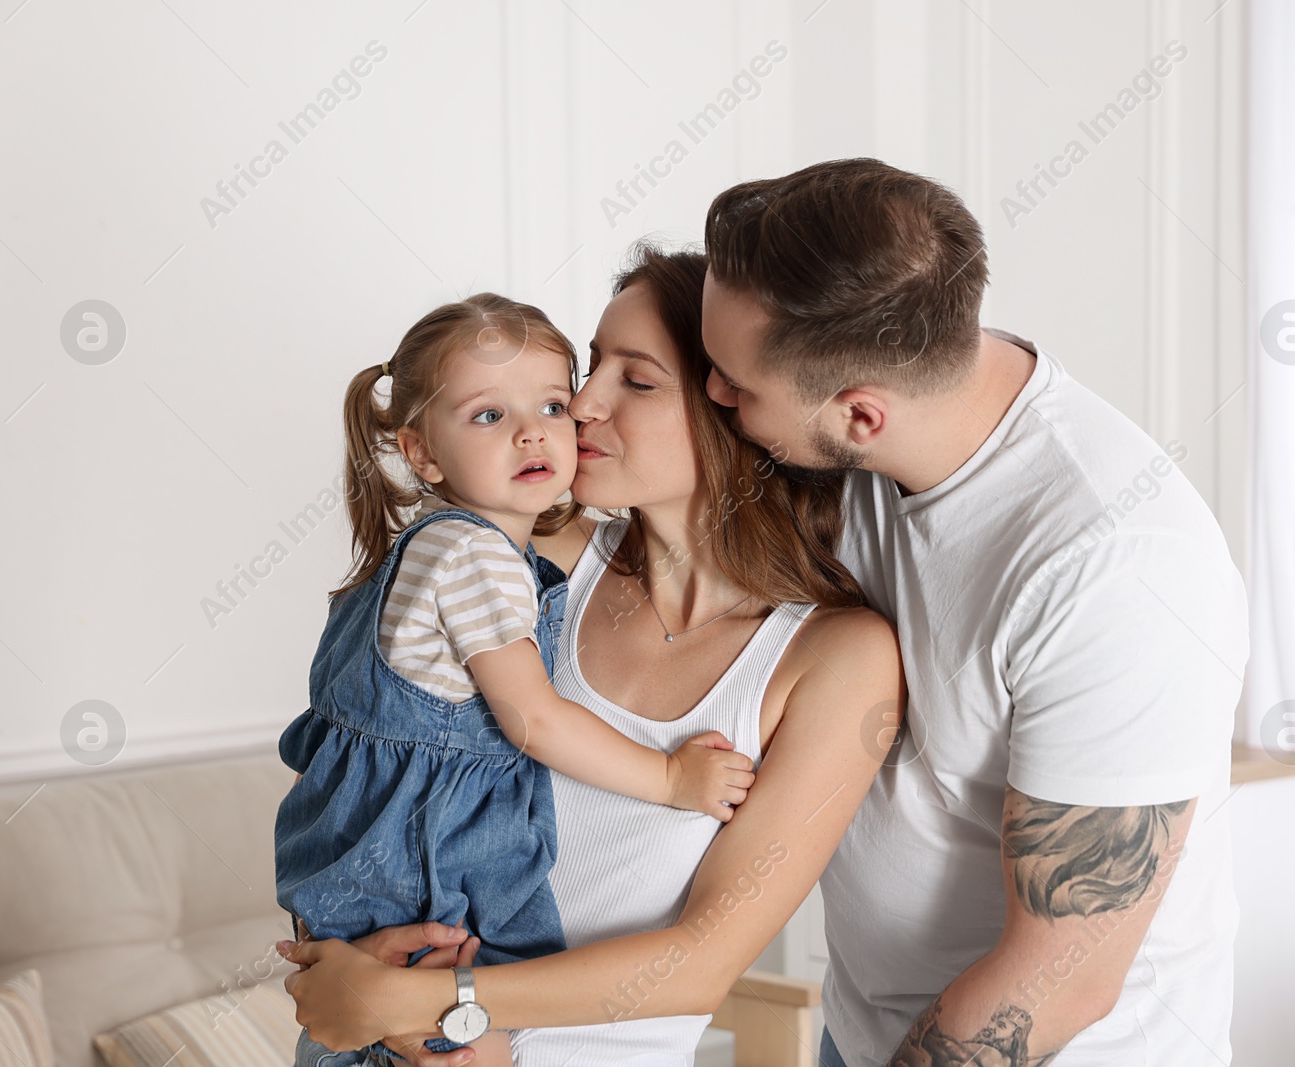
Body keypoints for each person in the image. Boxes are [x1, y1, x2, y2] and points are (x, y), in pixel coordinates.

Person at [276, 245, 905, 1066]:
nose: (579, 405)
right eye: (591, 365)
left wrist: (430, 1002)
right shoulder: (524, 557)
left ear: (735, 408)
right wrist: (365, 976)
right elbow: (362, 762)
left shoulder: (835, 658)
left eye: (634, 380)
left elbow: (698, 964)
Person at [699, 158, 1249, 1066]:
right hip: (867, 1025)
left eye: (735, 382)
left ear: (861, 414)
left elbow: (1058, 979)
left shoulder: (1119, 563)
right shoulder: (872, 436)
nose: (713, 395)